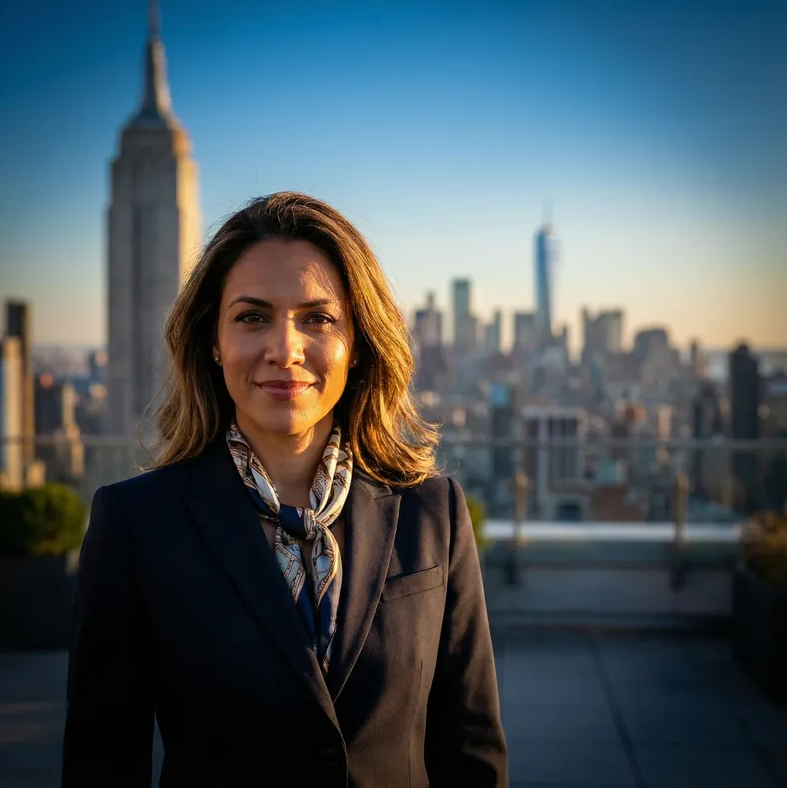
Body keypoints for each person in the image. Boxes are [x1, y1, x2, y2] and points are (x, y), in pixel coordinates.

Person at [62, 192, 508, 787]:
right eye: (252, 317)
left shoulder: (433, 511)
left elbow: (472, 751)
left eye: (318, 318)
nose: (285, 349)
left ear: (358, 344)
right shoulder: (136, 525)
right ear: (213, 343)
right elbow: (101, 762)